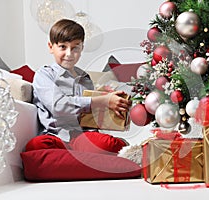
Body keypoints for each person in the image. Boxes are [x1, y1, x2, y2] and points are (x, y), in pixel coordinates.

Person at [25, 18, 132, 155]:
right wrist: (101, 101)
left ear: (82, 48)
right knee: (36, 146)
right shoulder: (44, 75)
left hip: (83, 136)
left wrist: (107, 103)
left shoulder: (85, 78)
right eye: (63, 47)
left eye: (75, 47)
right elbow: (58, 106)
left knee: (108, 144)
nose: (69, 54)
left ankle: (120, 147)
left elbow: (91, 117)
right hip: (56, 136)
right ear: (51, 47)